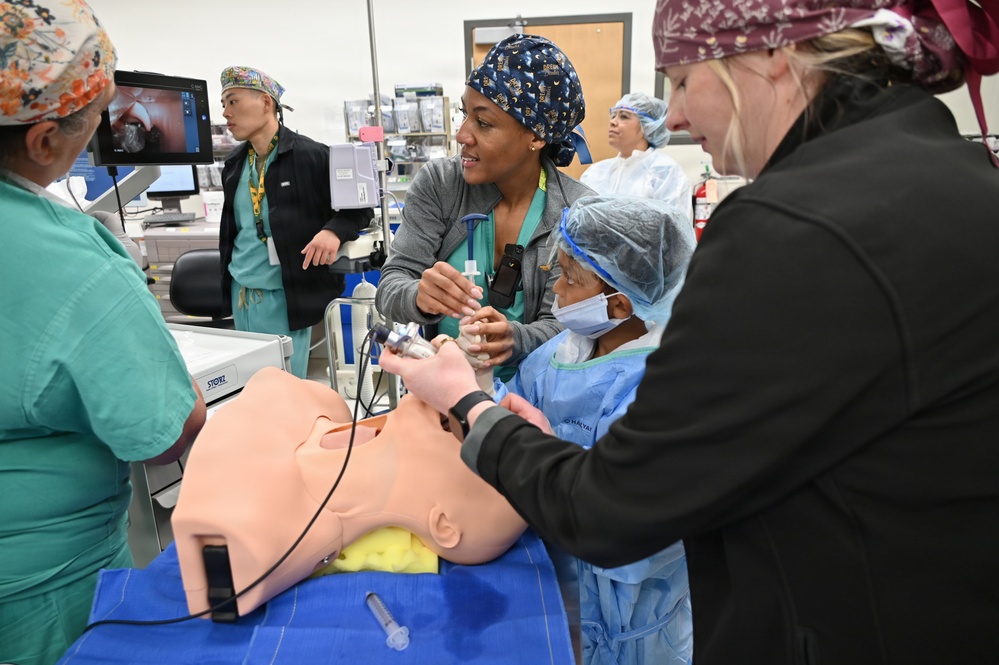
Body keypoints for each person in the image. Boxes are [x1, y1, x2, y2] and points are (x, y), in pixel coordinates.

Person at [378, 1, 999, 663]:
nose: (669, 117)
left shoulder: (794, 231)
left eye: (679, 80)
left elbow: (608, 507)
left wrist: (472, 406)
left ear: (770, 54)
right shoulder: (956, 180)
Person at [0, 4, 207, 664]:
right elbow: (166, 429)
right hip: (37, 596)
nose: (103, 129)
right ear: (43, 141)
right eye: (96, 116)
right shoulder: (71, 262)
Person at [493, 196, 695, 665]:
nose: (557, 289)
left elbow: (624, 517)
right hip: (561, 580)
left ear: (619, 302)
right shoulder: (565, 350)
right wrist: (479, 383)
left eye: (570, 278)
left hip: (637, 619)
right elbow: (513, 407)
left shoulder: (664, 384)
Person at [172, 366, 528, 617]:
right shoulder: (327, 406)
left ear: (443, 525)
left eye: (461, 432)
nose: (464, 415)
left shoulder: (250, 534)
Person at [375, 34, 595, 380]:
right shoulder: (442, 184)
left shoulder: (575, 211)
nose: (462, 135)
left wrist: (515, 339)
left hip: (534, 392)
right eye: (464, 115)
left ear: (536, 136)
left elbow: (568, 324)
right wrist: (419, 296)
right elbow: (391, 285)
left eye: (484, 123)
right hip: (441, 383)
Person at [218, 66, 373, 378]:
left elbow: (360, 210)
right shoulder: (235, 165)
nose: (225, 112)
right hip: (241, 291)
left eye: (232, 101)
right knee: (248, 387)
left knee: (283, 388)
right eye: (223, 104)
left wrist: (332, 231)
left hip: (283, 295)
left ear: (266, 102)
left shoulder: (311, 156)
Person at [580, 92, 692, 220]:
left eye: (624, 117)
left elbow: (676, 226)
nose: (613, 122)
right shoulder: (595, 172)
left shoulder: (665, 172)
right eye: (613, 115)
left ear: (648, 126)